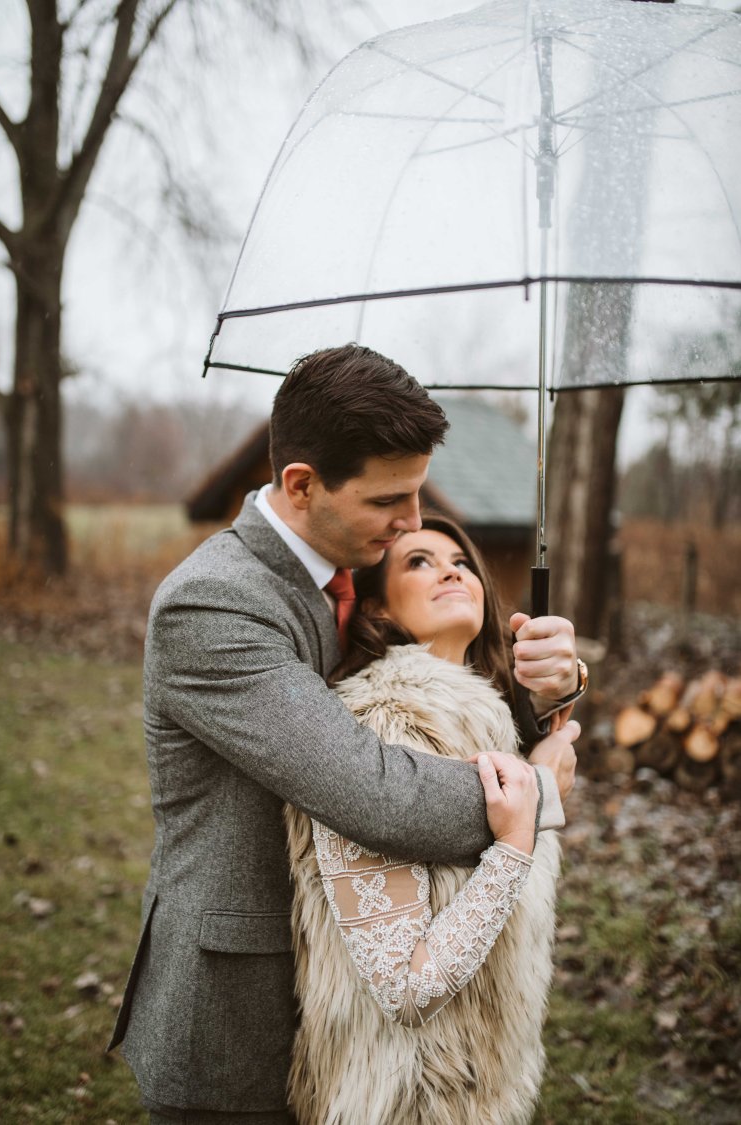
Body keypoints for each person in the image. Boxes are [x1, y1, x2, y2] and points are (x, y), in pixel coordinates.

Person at [108, 345, 582, 1124]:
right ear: (302, 484)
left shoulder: (349, 568)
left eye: (418, 492)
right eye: (389, 499)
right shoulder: (214, 603)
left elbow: (430, 703)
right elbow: (375, 788)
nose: (414, 521)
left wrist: (551, 686)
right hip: (241, 1018)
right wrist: (538, 792)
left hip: (351, 1029)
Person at [286, 514, 577, 1124]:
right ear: (378, 608)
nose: (451, 570)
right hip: (402, 1095)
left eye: (462, 562)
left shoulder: (489, 717)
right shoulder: (379, 724)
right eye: (419, 561)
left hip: (486, 1082)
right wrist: (518, 840)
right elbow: (407, 988)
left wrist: (567, 682)